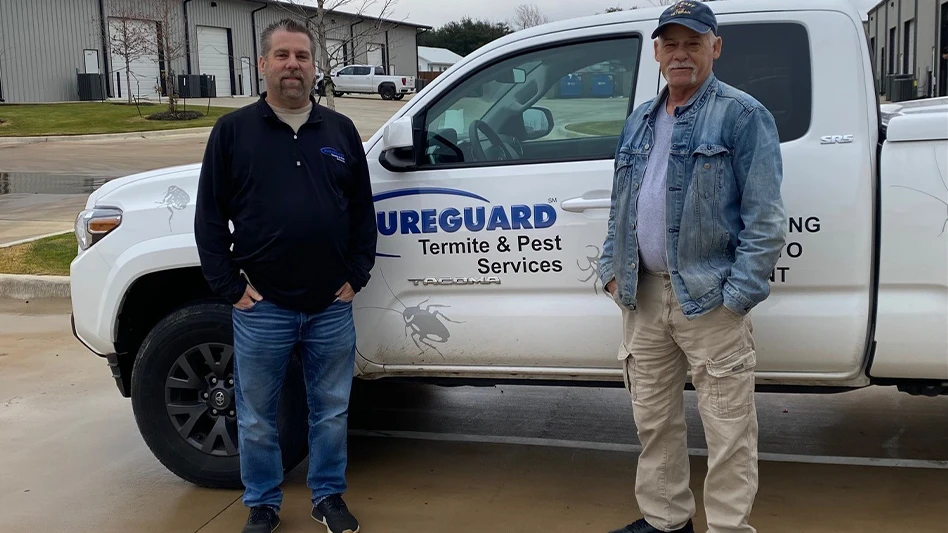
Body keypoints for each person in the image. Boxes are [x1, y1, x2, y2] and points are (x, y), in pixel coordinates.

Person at [600, 2, 786, 533]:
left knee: (729, 430)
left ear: (715, 48)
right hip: (643, 295)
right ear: (656, 51)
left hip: (710, 297)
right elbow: (621, 206)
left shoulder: (743, 115)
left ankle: (728, 528)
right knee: (654, 422)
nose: (681, 54)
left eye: (694, 43)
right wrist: (611, 270)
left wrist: (738, 295)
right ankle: (666, 521)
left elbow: (766, 217)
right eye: (671, 44)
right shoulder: (639, 119)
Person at [193, 18, 377, 533]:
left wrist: (357, 275)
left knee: (332, 412)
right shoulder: (233, 132)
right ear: (263, 64)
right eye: (282, 56)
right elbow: (209, 217)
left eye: (302, 56)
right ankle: (263, 504)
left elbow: (363, 212)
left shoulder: (339, 131)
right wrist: (231, 288)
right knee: (255, 418)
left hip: (330, 306)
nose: (293, 65)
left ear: (314, 66)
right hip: (263, 306)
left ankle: (327, 497)